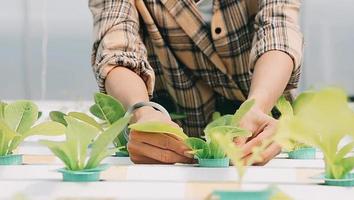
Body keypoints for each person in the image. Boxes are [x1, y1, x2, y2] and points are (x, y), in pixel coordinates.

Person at [89, 0, 303, 165]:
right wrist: (143, 111)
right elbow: (116, 48)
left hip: (259, 136)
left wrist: (257, 107)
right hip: (170, 145)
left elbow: (278, 28)